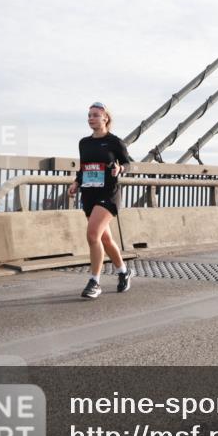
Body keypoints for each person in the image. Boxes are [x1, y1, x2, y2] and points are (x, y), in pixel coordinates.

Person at [67, 102, 135, 299]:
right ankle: (123, 272)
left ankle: (94, 282)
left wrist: (120, 169)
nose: (91, 118)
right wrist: (76, 182)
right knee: (105, 239)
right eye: (89, 115)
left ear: (105, 118)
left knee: (92, 235)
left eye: (95, 115)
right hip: (89, 195)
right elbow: (84, 168)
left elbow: (128, 164)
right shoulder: (84, 143)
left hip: (108, 195)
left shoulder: (115, 142)